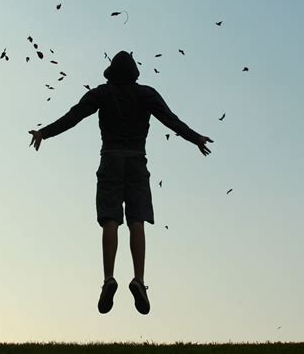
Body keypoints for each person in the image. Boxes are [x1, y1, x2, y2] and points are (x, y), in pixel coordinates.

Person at [28, 50, 213, 315]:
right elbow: (171, 120)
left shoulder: (102, 93)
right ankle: (138, 279)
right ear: (135, 74)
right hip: (137, 161)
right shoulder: (146, 94)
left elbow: (75, 115)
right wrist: (195, 138)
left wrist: (44, 132)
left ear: (111, 74)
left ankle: (108, 279)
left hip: (111, 159)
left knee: (110, 220)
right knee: (137, 221)